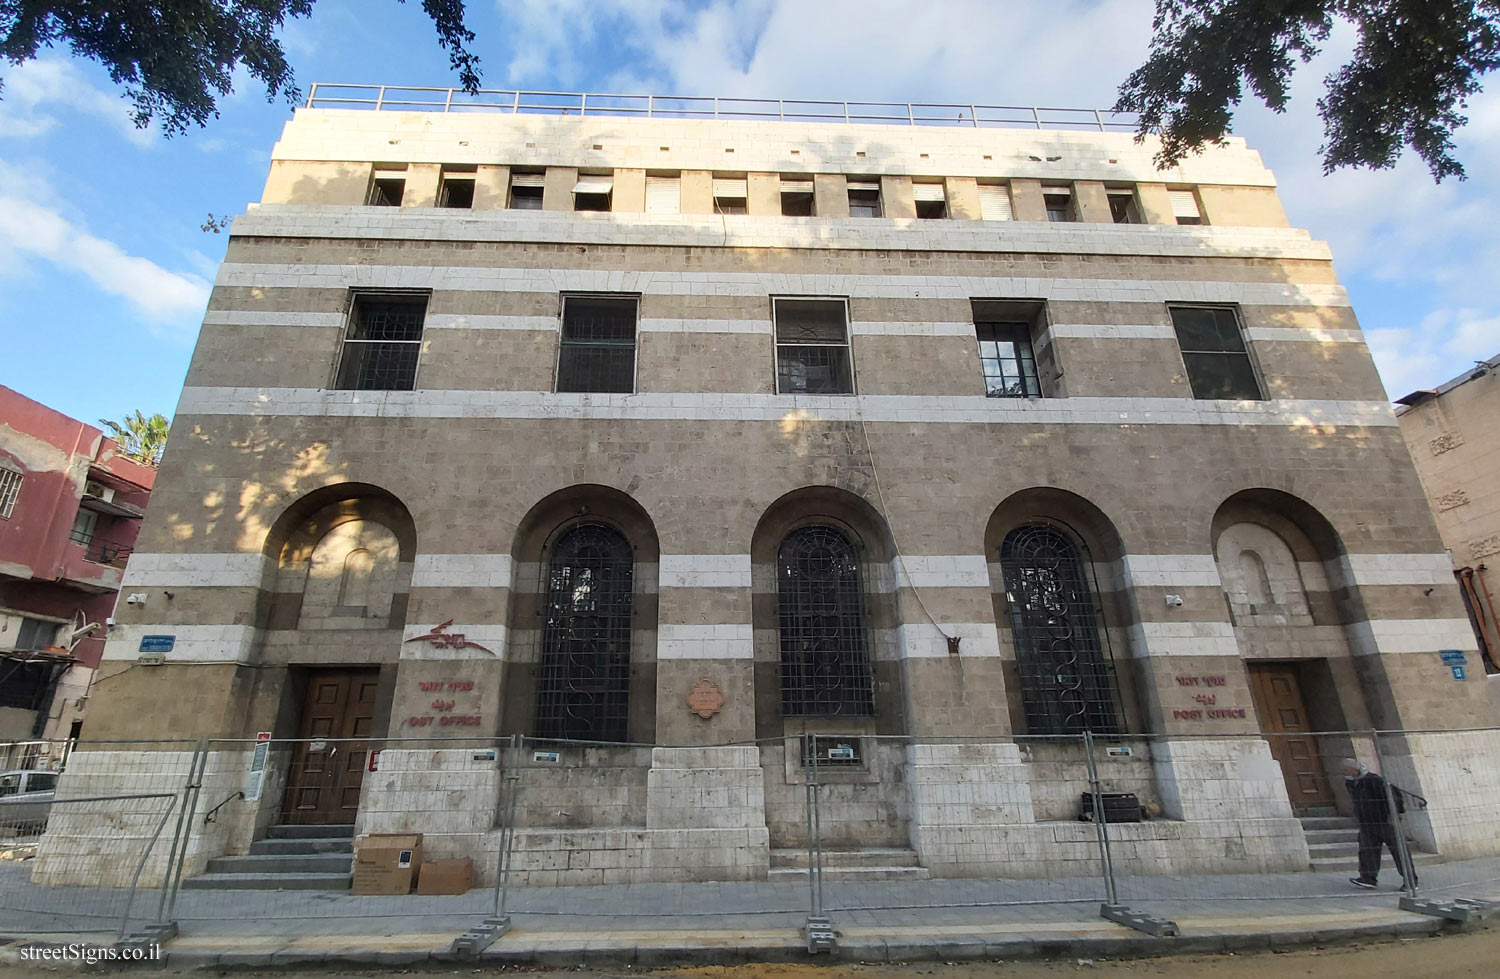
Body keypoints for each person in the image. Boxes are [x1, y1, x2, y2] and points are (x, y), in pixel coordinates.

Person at [1342, 758, 1416, 889]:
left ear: (1355, 768)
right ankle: (1368, 879)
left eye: (1346, 769)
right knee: (1367, 851)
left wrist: (1394, 814)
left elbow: (1392, 796)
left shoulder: (1375, 780)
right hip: (1367, 823)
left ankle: (1410, 882)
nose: (1345, 772)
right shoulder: (1351, 783)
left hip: (1385, 821)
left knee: (1399, 851)